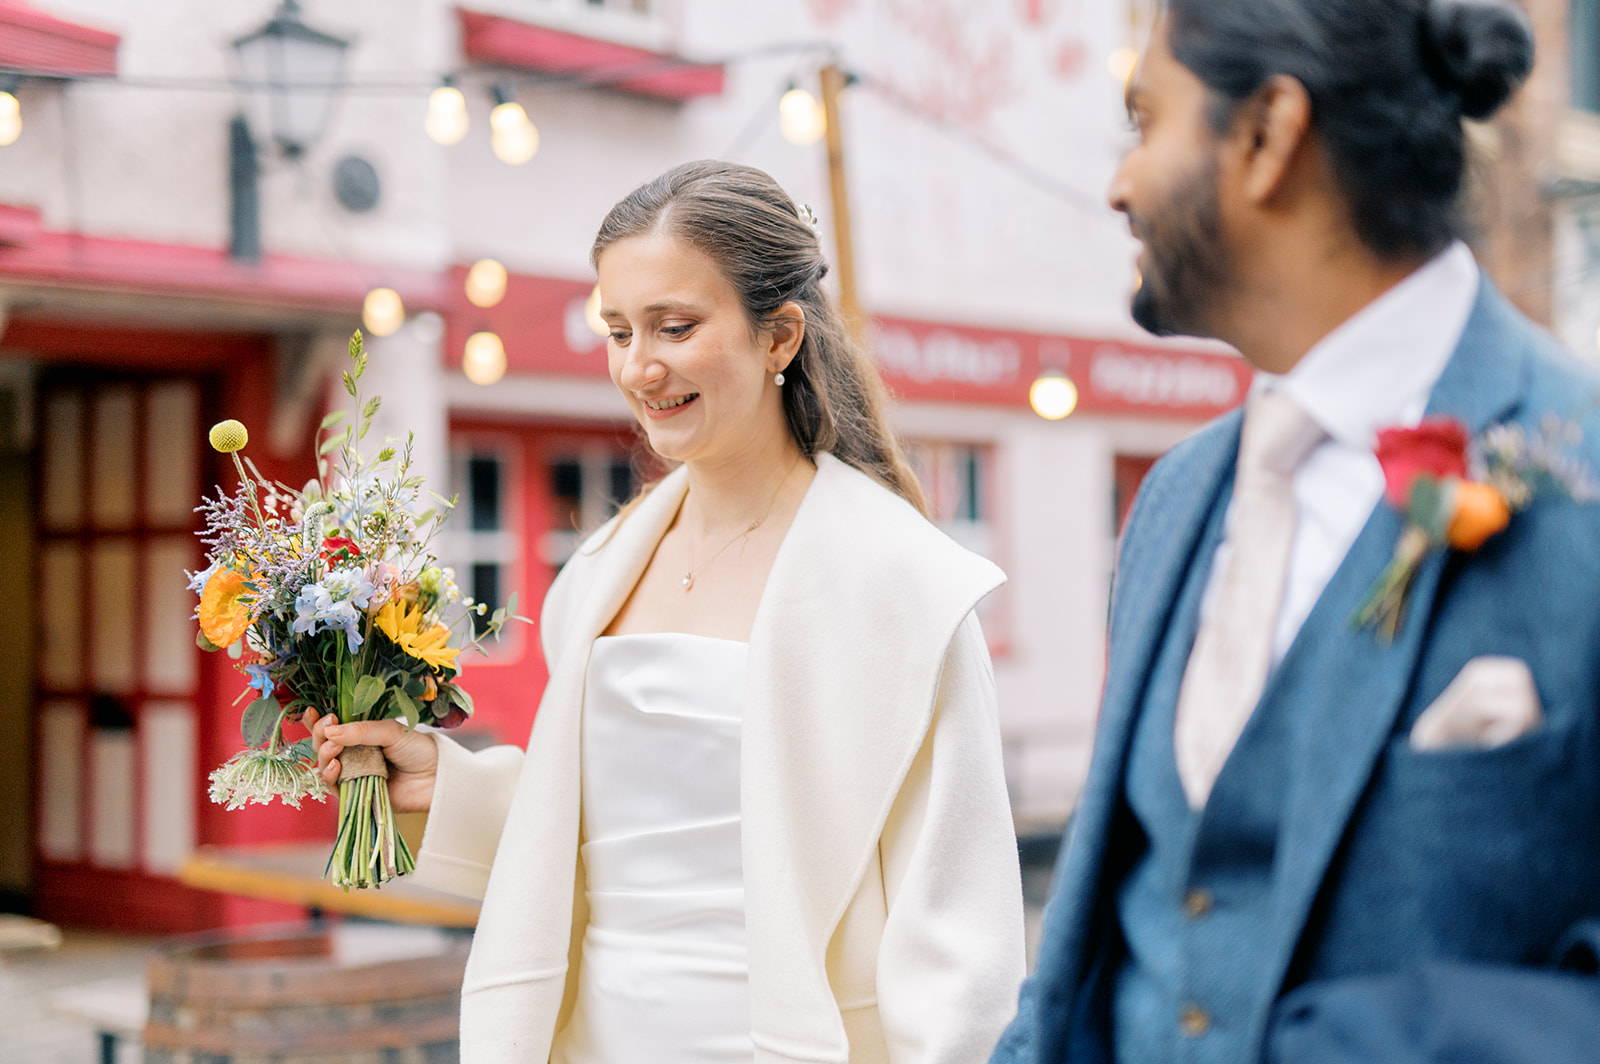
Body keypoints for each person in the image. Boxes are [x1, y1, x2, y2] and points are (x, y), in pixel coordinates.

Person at [308, 160, 1026, 1064]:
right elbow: (599, 847)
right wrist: (442, 785)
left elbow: (960, 945)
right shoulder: (599, 571)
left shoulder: (904, 587)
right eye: (617, 332)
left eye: (675, 328)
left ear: (780, 338)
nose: (639, 367)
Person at [993, 1, 1600, 1062]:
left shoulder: (1576, 468)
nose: (1117, 184)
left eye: (1144, 122)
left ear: (1267, 135)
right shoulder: (1176, 500)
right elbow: (1106, 941)